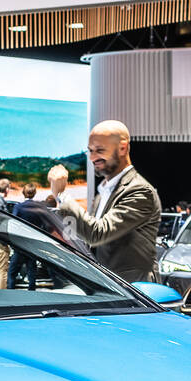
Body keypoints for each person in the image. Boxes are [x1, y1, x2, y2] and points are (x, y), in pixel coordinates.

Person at [51, 120, 162, 281]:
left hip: (134, 292)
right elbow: (89, 240)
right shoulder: (103, 192)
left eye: (99, 150)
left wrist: (61, 194)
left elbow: (98, 234)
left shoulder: (140, 191)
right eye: (90, 151)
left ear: (123, 147)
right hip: (110, 288)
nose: (93, 157)